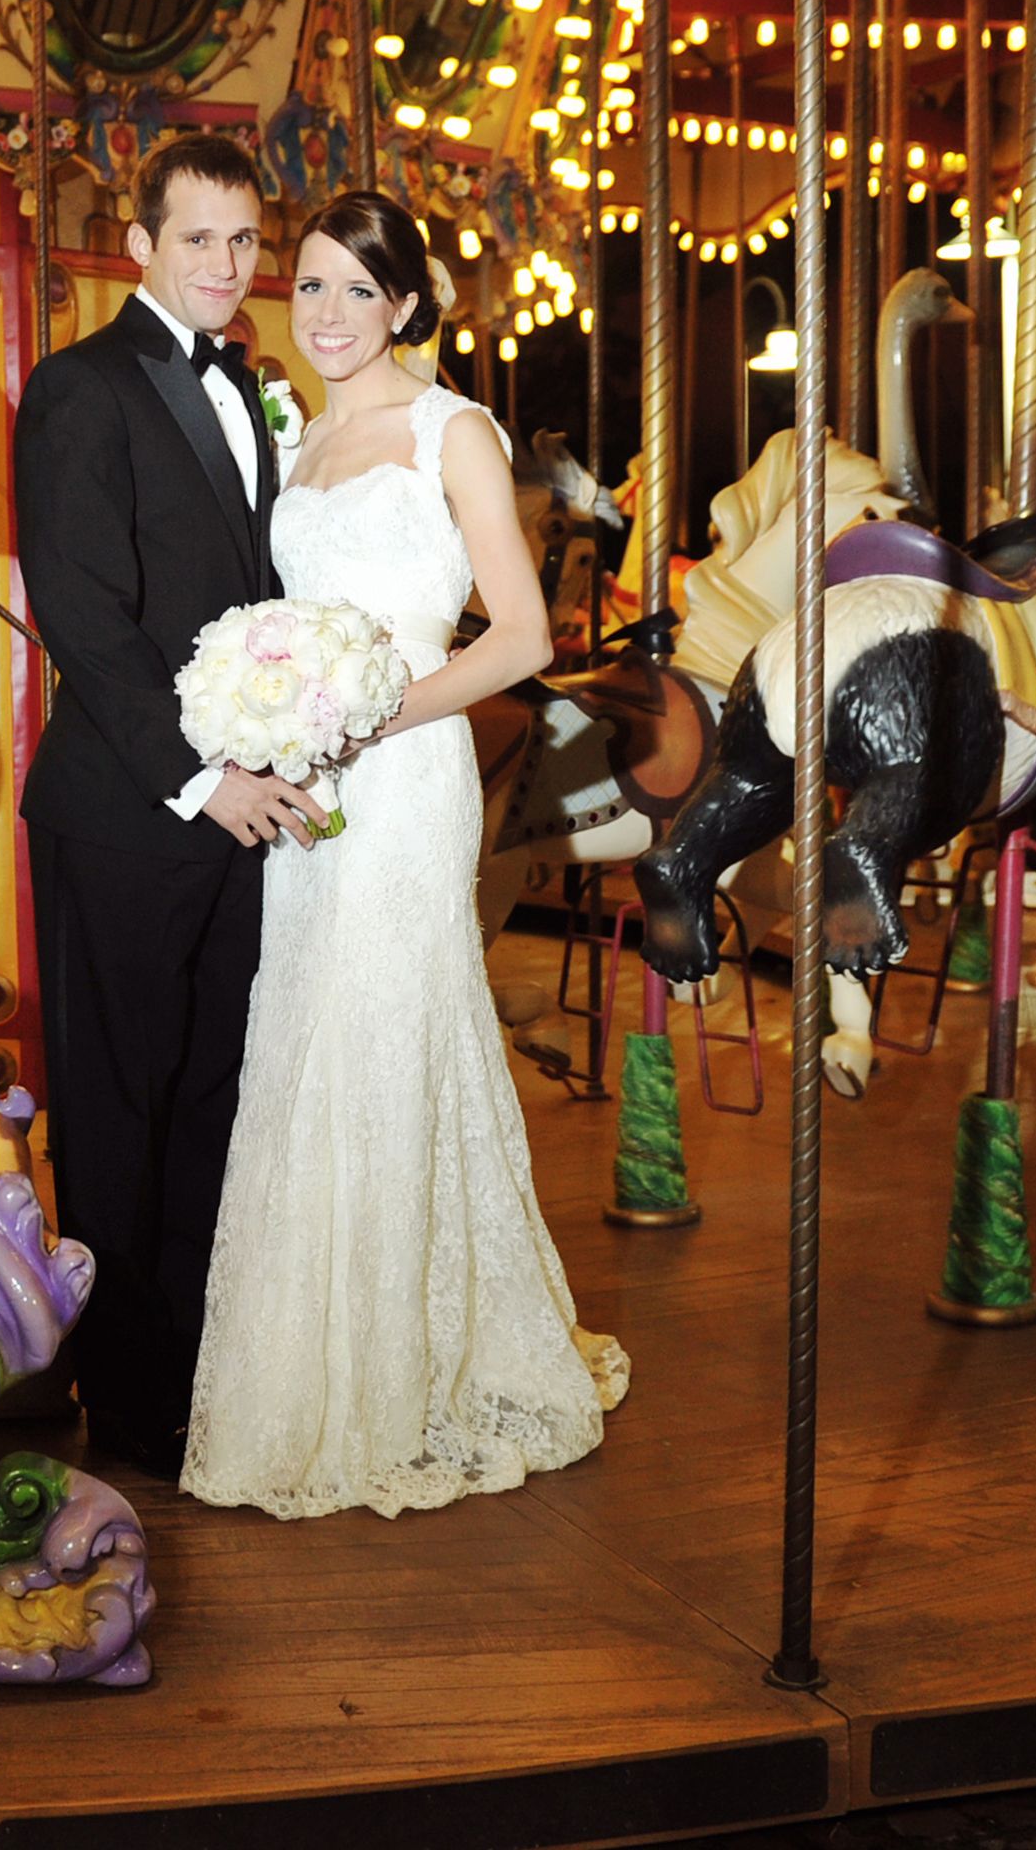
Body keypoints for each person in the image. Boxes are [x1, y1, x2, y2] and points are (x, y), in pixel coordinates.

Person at [180, 189, 628, 1520]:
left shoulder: (455, 431)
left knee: (384, 1029)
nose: (322, 313)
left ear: (409, 309)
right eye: (307, 286)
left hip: (404, 771)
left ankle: (406, 1372)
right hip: (313, 784)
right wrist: (271, 719)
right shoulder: (300, 445)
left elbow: (520, 639)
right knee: (310, 1034)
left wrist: (356, 716)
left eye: (353, 292)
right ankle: (316, 1356)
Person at [15, 134, 325, 1478]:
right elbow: (85, 614)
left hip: (244, 810)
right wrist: (204, 780)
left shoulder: (255, 392)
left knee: (213, 1096)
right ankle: (124, 1403)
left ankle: (202, 1377)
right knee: (118, 1104)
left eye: (244, 242)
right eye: (197, 239)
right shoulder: (80, 388)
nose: (224, 265)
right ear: (136, 245)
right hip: (131, 810)